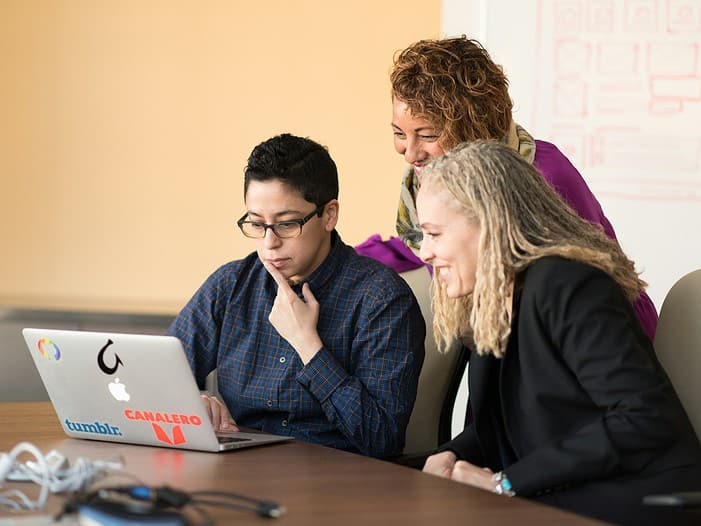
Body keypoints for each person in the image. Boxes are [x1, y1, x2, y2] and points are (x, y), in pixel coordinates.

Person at [417, 140, 701, 526]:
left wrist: (506, 483)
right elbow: (500, 427)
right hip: (567, 492)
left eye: (434, 234)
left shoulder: (570, 285)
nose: (424, 252)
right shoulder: (493, 297)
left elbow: (642, 419)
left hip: (643, 498)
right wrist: (450, 456)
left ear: (488, 222)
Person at [167, 133, 425, 459]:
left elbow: (381, 438)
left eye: (287, 224)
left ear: (329, 215)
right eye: (257, 224)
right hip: (241, 473)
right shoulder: (231, 285)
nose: (269, 243)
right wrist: (195, 400)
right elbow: (161, 376)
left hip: (339, 483)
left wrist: (308, 345)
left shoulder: (382, 300)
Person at [388, 35, 658, 342]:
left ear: (471, 127)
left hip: (604, 344)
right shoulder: (429, 180)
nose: (409, 153)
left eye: (427, 135)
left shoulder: (545, 172)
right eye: (399, 133)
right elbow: (425, 242)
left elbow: (588, 282)